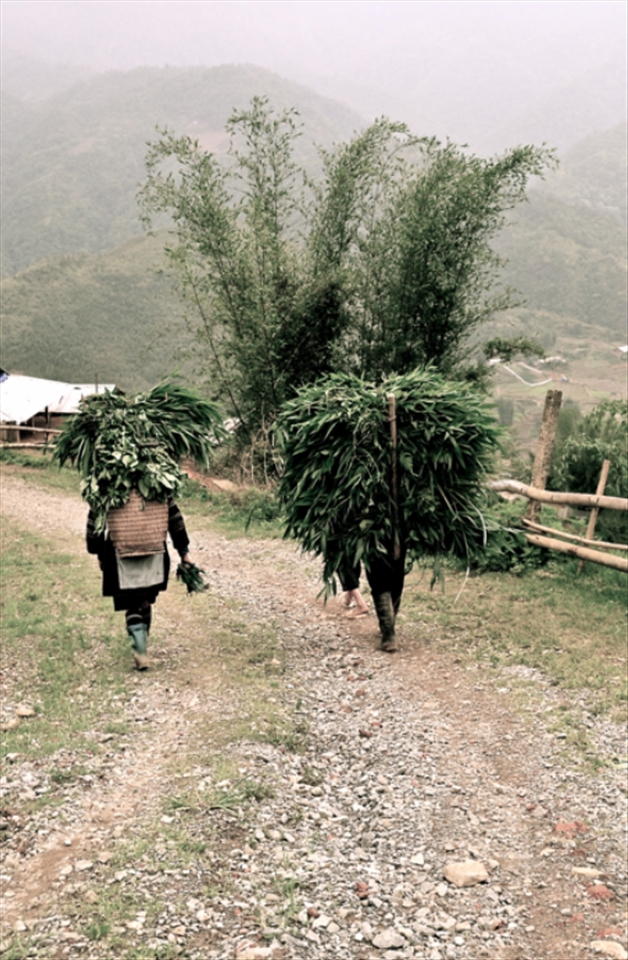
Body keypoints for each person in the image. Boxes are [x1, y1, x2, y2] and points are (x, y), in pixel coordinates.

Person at [86, 498, 193, 670]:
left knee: (131, 602)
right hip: (154, 551)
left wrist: (97, 550)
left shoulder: (108, 482)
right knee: (144, 599)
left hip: (118, 551)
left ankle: (139, 645)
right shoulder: (156, 483)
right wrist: (184, 553)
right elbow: (174, 517)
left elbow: (96, 517)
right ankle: (141, 642)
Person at [363, 540, 407, 652]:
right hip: (378, 537)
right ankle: (388, 631)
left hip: (395, 537)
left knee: (394, 581)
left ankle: (389, 629)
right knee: (384, 583)